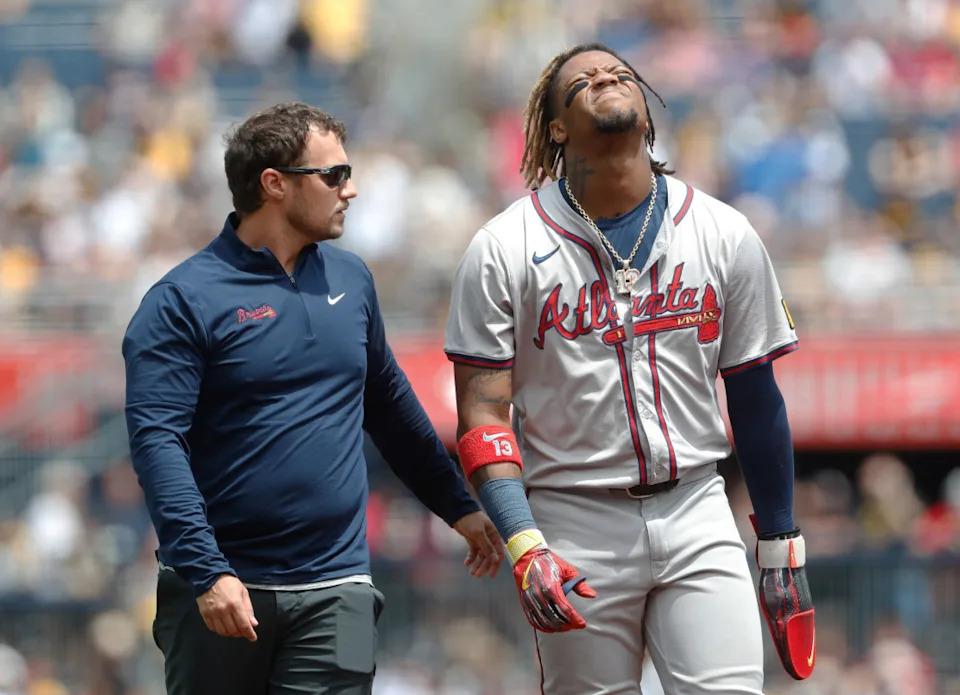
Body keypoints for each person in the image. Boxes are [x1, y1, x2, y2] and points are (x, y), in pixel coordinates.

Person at [444, 44, 816, 694]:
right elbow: (482, 415)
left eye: (620, 76)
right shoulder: (504, 248)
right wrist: (524, 544)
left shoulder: (722, 232)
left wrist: (781, 539)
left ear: (648, 114)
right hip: (571, 519)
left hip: (698, 503)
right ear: (556, 127)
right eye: (583, 81)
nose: (606, 80)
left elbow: (756, 396)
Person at [123, 102, 502, 695]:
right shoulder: (182, 300)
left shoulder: (352, 281)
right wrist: (206, 571)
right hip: (225, 591)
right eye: (333, 176)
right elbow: (156, 444)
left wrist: (458, 506)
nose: (350, 190)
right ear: (273, 184)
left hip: (336, 586)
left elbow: (392, 409)